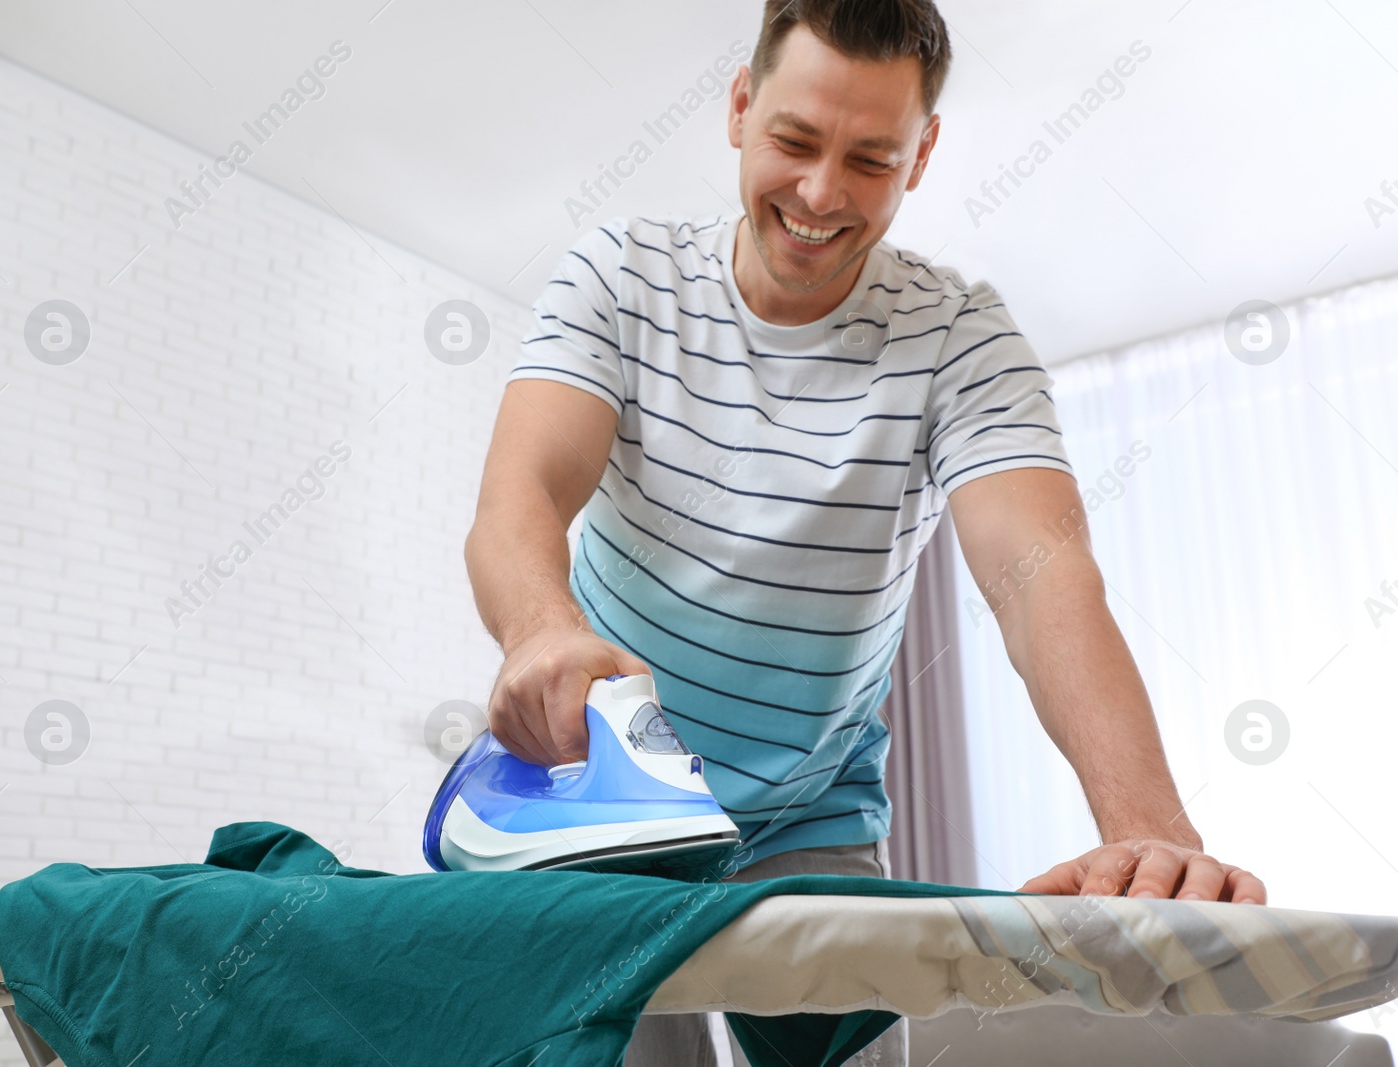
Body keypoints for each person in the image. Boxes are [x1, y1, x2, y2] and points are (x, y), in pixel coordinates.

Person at [464, 1, 1266, 1062]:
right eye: (794, 140)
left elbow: (1040, 581)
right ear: (741, 108)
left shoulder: (959, 340)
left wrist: (1148, 826)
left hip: (809, 815)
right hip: (606, 803)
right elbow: (518, 497)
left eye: (870, 158)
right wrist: (538, 630)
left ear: (921, 154)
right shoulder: (621, 278)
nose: (819, 194)